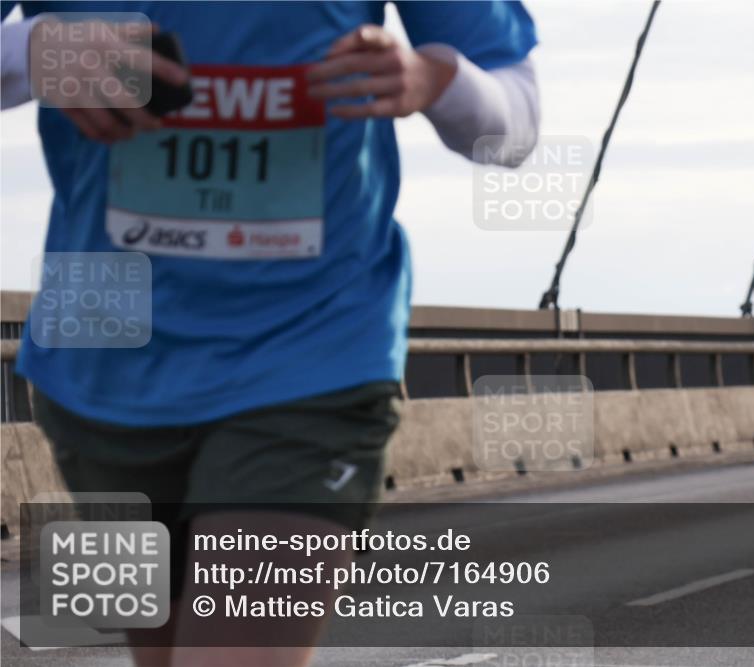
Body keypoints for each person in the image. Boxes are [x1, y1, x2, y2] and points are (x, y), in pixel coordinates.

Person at [1, 2, 539, 665]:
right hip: (104, 364)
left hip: (312, 351)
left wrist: (433, 80)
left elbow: (518, 121)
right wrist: (34, 51)